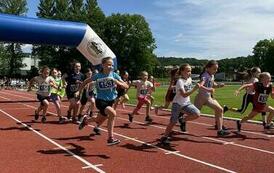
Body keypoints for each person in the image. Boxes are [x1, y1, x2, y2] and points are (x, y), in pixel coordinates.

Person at [77, 57, 128, 145]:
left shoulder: (114, 75)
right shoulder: (98, 76)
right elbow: (85, 81)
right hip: (100, 101)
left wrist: (117, 82)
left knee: (98, 119)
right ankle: (110, 138)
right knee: (113, 113)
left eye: (112, 65)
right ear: (103, 65)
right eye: (108, 65)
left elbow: (126, 86)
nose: (110, 67)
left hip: (110, 101)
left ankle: (85, 121)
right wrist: (79, 91)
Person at [160, 64, 202, 145]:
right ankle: (164, 137)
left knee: (197, 114)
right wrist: (195, 89)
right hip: (177, 104)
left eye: (190, 71)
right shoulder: (180, 81)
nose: (190, 73)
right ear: (182, 72)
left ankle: (182, 120)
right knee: (173, 122)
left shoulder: (189, 79)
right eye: (188, 71)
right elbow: (184, 94)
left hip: (186, 103)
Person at [194, 60, 230, 137]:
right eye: (214, 69)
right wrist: (208, 89)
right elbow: (200, 85)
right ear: (208, 68)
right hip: (201, 97)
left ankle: (220, 130)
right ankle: (182, 118)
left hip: (208, 98)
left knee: (220, 109)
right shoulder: (205, 75)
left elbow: (213, 85)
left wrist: (219, 85)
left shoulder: (212, 76)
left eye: (216, 69)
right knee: (194, 114)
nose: (216, 71)